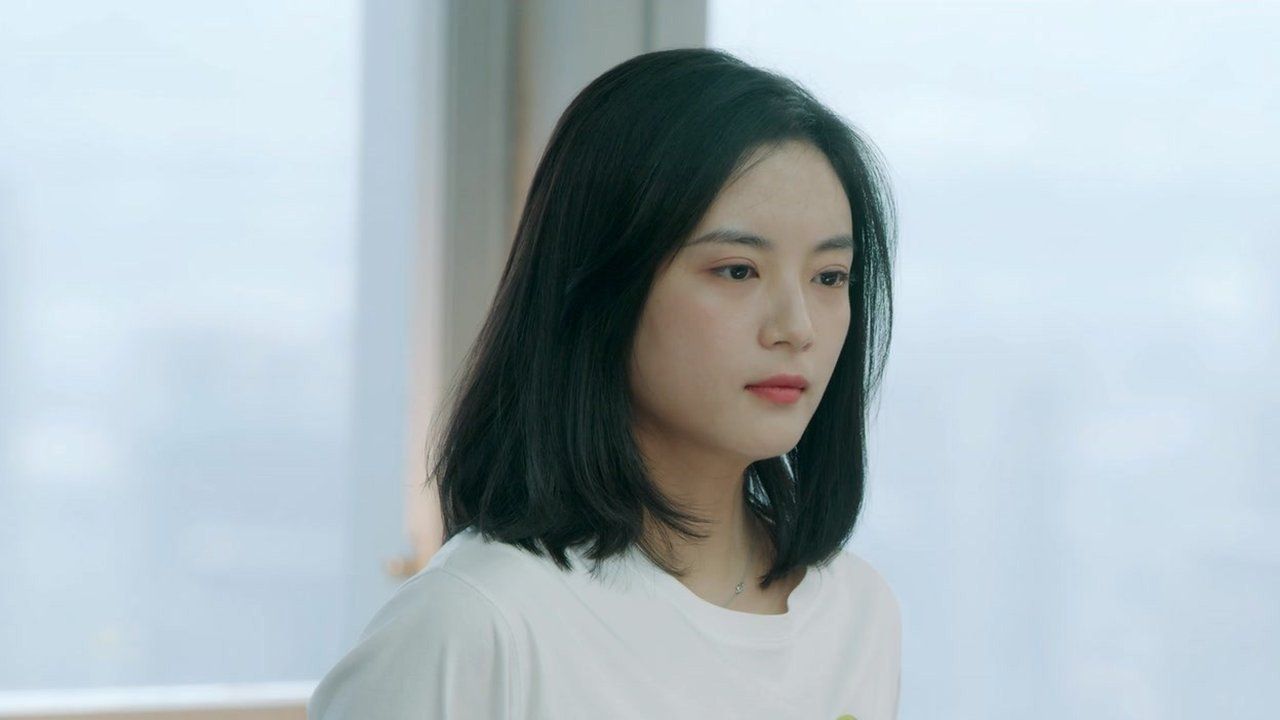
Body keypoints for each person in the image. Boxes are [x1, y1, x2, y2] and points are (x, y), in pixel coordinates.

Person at [309, 47, 900, 719]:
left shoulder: (856, 614)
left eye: (829, 277)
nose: (797, 327)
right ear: (601, 285)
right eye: (737, 270)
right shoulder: (476, 624)